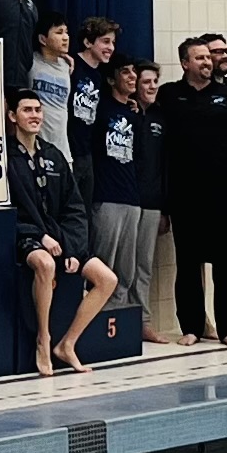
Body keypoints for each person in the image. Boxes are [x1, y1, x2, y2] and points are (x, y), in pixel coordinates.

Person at [157, 38, 227, 349]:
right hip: (184, 194)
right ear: (185, 63)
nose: (206, 62)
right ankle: (191, 327)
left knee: (225, 262)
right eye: (199, 58)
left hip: (226, 194)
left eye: (208, 57)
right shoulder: (170, 95)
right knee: (187, 263)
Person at [7, 89, 117, 377]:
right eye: (27, 110)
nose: (34, 116)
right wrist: (40, 236)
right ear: (12, 116)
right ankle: (43, 339)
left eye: (38, 110)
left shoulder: (53, 155)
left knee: (107, 279)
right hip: (24, 235)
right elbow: (8, 209)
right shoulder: (5, 158)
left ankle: (67, 344)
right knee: (44, 263)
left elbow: (74, 208)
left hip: (60, 238)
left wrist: (72, 249)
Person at [91, 53, 140, 308]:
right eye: (125, 72)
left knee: (126, 269)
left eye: (134, 71)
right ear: (111, 79)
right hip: (106, 195)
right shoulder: (101, 109)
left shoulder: (134, 112)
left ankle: (118, 320)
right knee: (103, 265)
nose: (132, 76)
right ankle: (95, 319)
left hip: (131, 197)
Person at [131, 59, 169, 343]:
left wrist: (165, 208)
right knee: (123, 264)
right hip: (127, 199)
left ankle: (142, 320)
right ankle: (119, 318)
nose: (152, 87)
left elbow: (165, 165)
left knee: (144, 265)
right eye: (146, 82)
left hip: (152, 201)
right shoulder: (126, 114)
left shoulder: (160, 118)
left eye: (155, 82)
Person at [68, 18, 119, 225]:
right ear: (88, 42)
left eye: (113, 43)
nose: (110, 48)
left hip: (86, 153)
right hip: (68, 149)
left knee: (84, 214)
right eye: (105, 42)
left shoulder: (98, 76)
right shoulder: (71, 66)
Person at [27, 12, 72, 161]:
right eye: (59, 33)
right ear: (42, 39)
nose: (65, 37)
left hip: (63, 152)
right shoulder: (30, 63)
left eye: (66, 32)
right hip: (37, 150)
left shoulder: (68, 66)